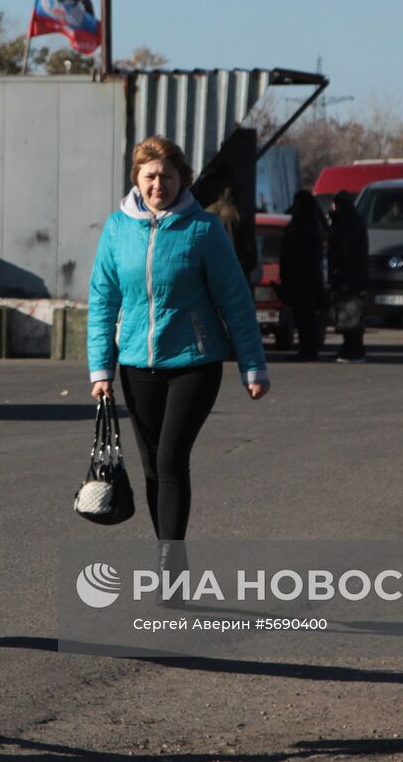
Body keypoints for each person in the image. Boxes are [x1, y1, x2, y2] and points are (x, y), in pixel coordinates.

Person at [88, 136, 270, 563]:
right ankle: (165, 547)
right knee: (153, 465)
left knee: (171, 457)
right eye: (150, 176)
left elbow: (235, 299)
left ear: (182, 180)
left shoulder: (202, 229)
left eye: (167, 177)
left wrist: (253, 366)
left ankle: (172, 560)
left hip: (195, 362)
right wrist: (101, 369)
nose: (158, 185)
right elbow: (102, 299)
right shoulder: (117, 229)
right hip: (136, 365)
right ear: (137, 178)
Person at [279, 190, 329, 361]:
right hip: (306, 277)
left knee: (305, 316)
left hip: (304, 278)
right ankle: (307, 349)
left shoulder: (305, 226)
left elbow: (298, 252)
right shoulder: (311, 224)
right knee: (304, 316)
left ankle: (308, 350)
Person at [327, 190, 370, 363]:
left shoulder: (346, 222)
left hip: (348, 276)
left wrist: (341, 275)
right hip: (354, 276)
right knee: (350, 314)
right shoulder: (353, 220)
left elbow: (345, 251)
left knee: (350, 314)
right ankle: (351, 348)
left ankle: (353, 349)